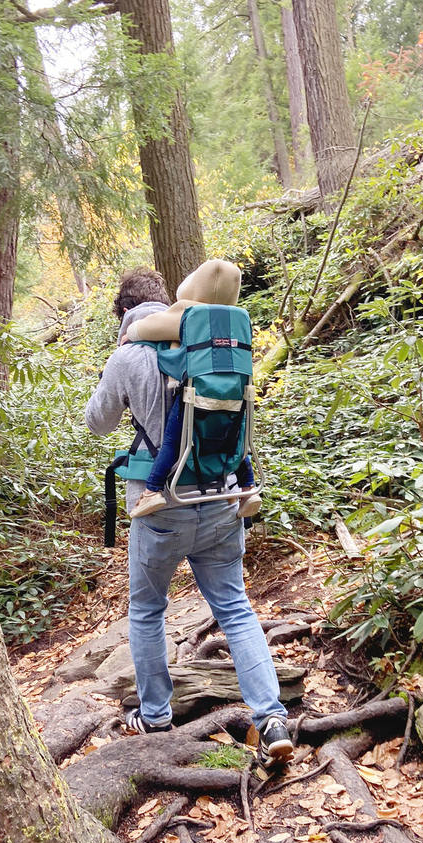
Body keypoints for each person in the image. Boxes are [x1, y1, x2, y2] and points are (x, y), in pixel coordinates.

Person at [85, 265, 293, 768]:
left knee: (147, 610)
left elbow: (97, 424)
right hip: (222, 499)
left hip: (160, 508)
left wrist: (118, 378)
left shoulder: (128, 354)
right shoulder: (221, 347)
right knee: (235, 608)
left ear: (124, 310)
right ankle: (271, 719)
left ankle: (156, 716)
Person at [122, 258, 260, 520]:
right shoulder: (237, 319)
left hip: (196, 392)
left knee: (174, 441)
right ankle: (248, 488)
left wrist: (131, 332)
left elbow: (148, 328)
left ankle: (152, 491)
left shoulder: (191, 312)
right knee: (236, 437)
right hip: (236, 394)